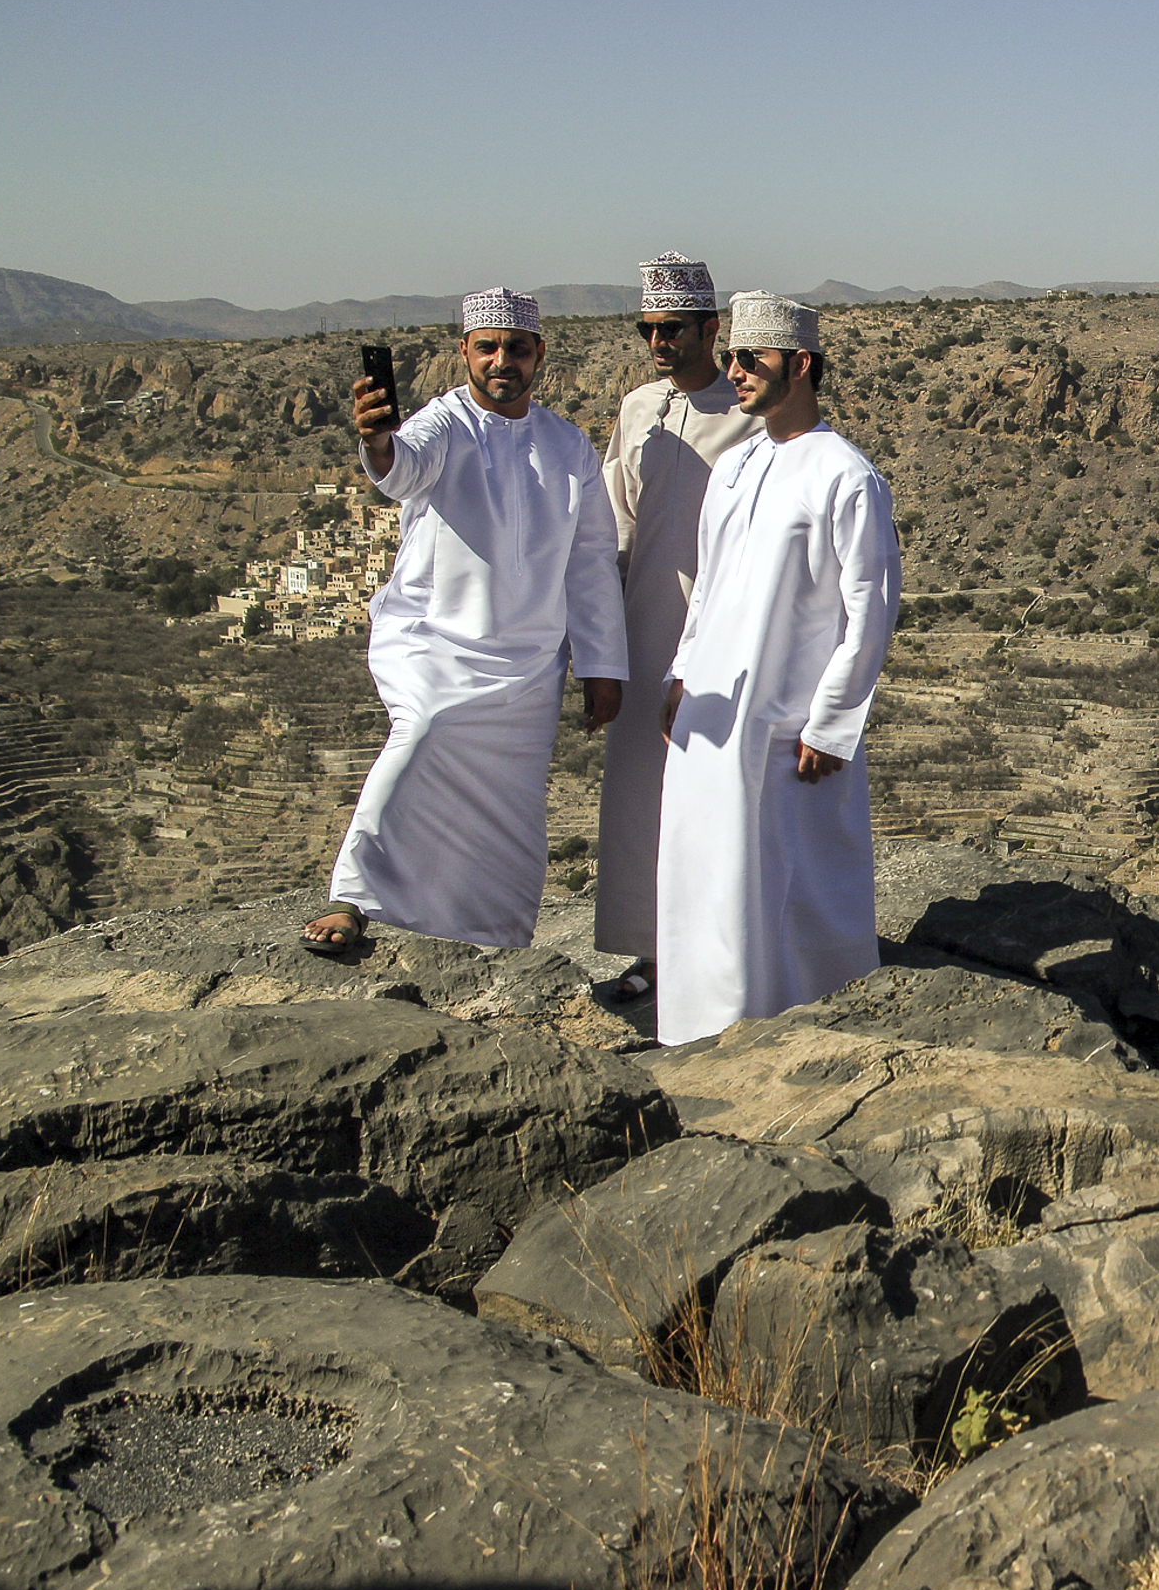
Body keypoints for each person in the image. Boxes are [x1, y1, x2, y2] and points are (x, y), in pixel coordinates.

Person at [304, 288, 626, 953]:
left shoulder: (568, 447)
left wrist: (601, 666)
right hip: (434, 642)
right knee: (420, 733)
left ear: (538, 355)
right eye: (487, 347)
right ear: (465, 353)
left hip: (528, 663)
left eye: (515, 347)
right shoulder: (442, 423)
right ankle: (354, 895)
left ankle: (495, 938)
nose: (500, 359)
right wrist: (376, 439)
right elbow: (401, 466)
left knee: (507, 812)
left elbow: (590, 561)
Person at [655, 292, 897, 1045]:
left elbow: (872, 611)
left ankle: (800, 1034)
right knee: (704, 876)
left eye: (749, 361)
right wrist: (681, 673)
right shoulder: (733, 466)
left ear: (798, 365)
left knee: (792, 883)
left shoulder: (845, 475)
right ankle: (696, 1033)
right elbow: (711, 583)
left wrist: (830, 724)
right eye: (730, 358)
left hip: (788, 724)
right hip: (712, 710)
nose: (733, 372)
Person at [591, 252, 760, 1001]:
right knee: (640, 796)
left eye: (674, 329)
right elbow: (614, 521)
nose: (660, 342)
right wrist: (596, 635)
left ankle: (726, 951)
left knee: (715, 795)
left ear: (709, 329)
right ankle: (654, 954)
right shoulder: (638, 409)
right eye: (649, 329)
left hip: (720, 630)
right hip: (641, 624)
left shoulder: (750, 413)